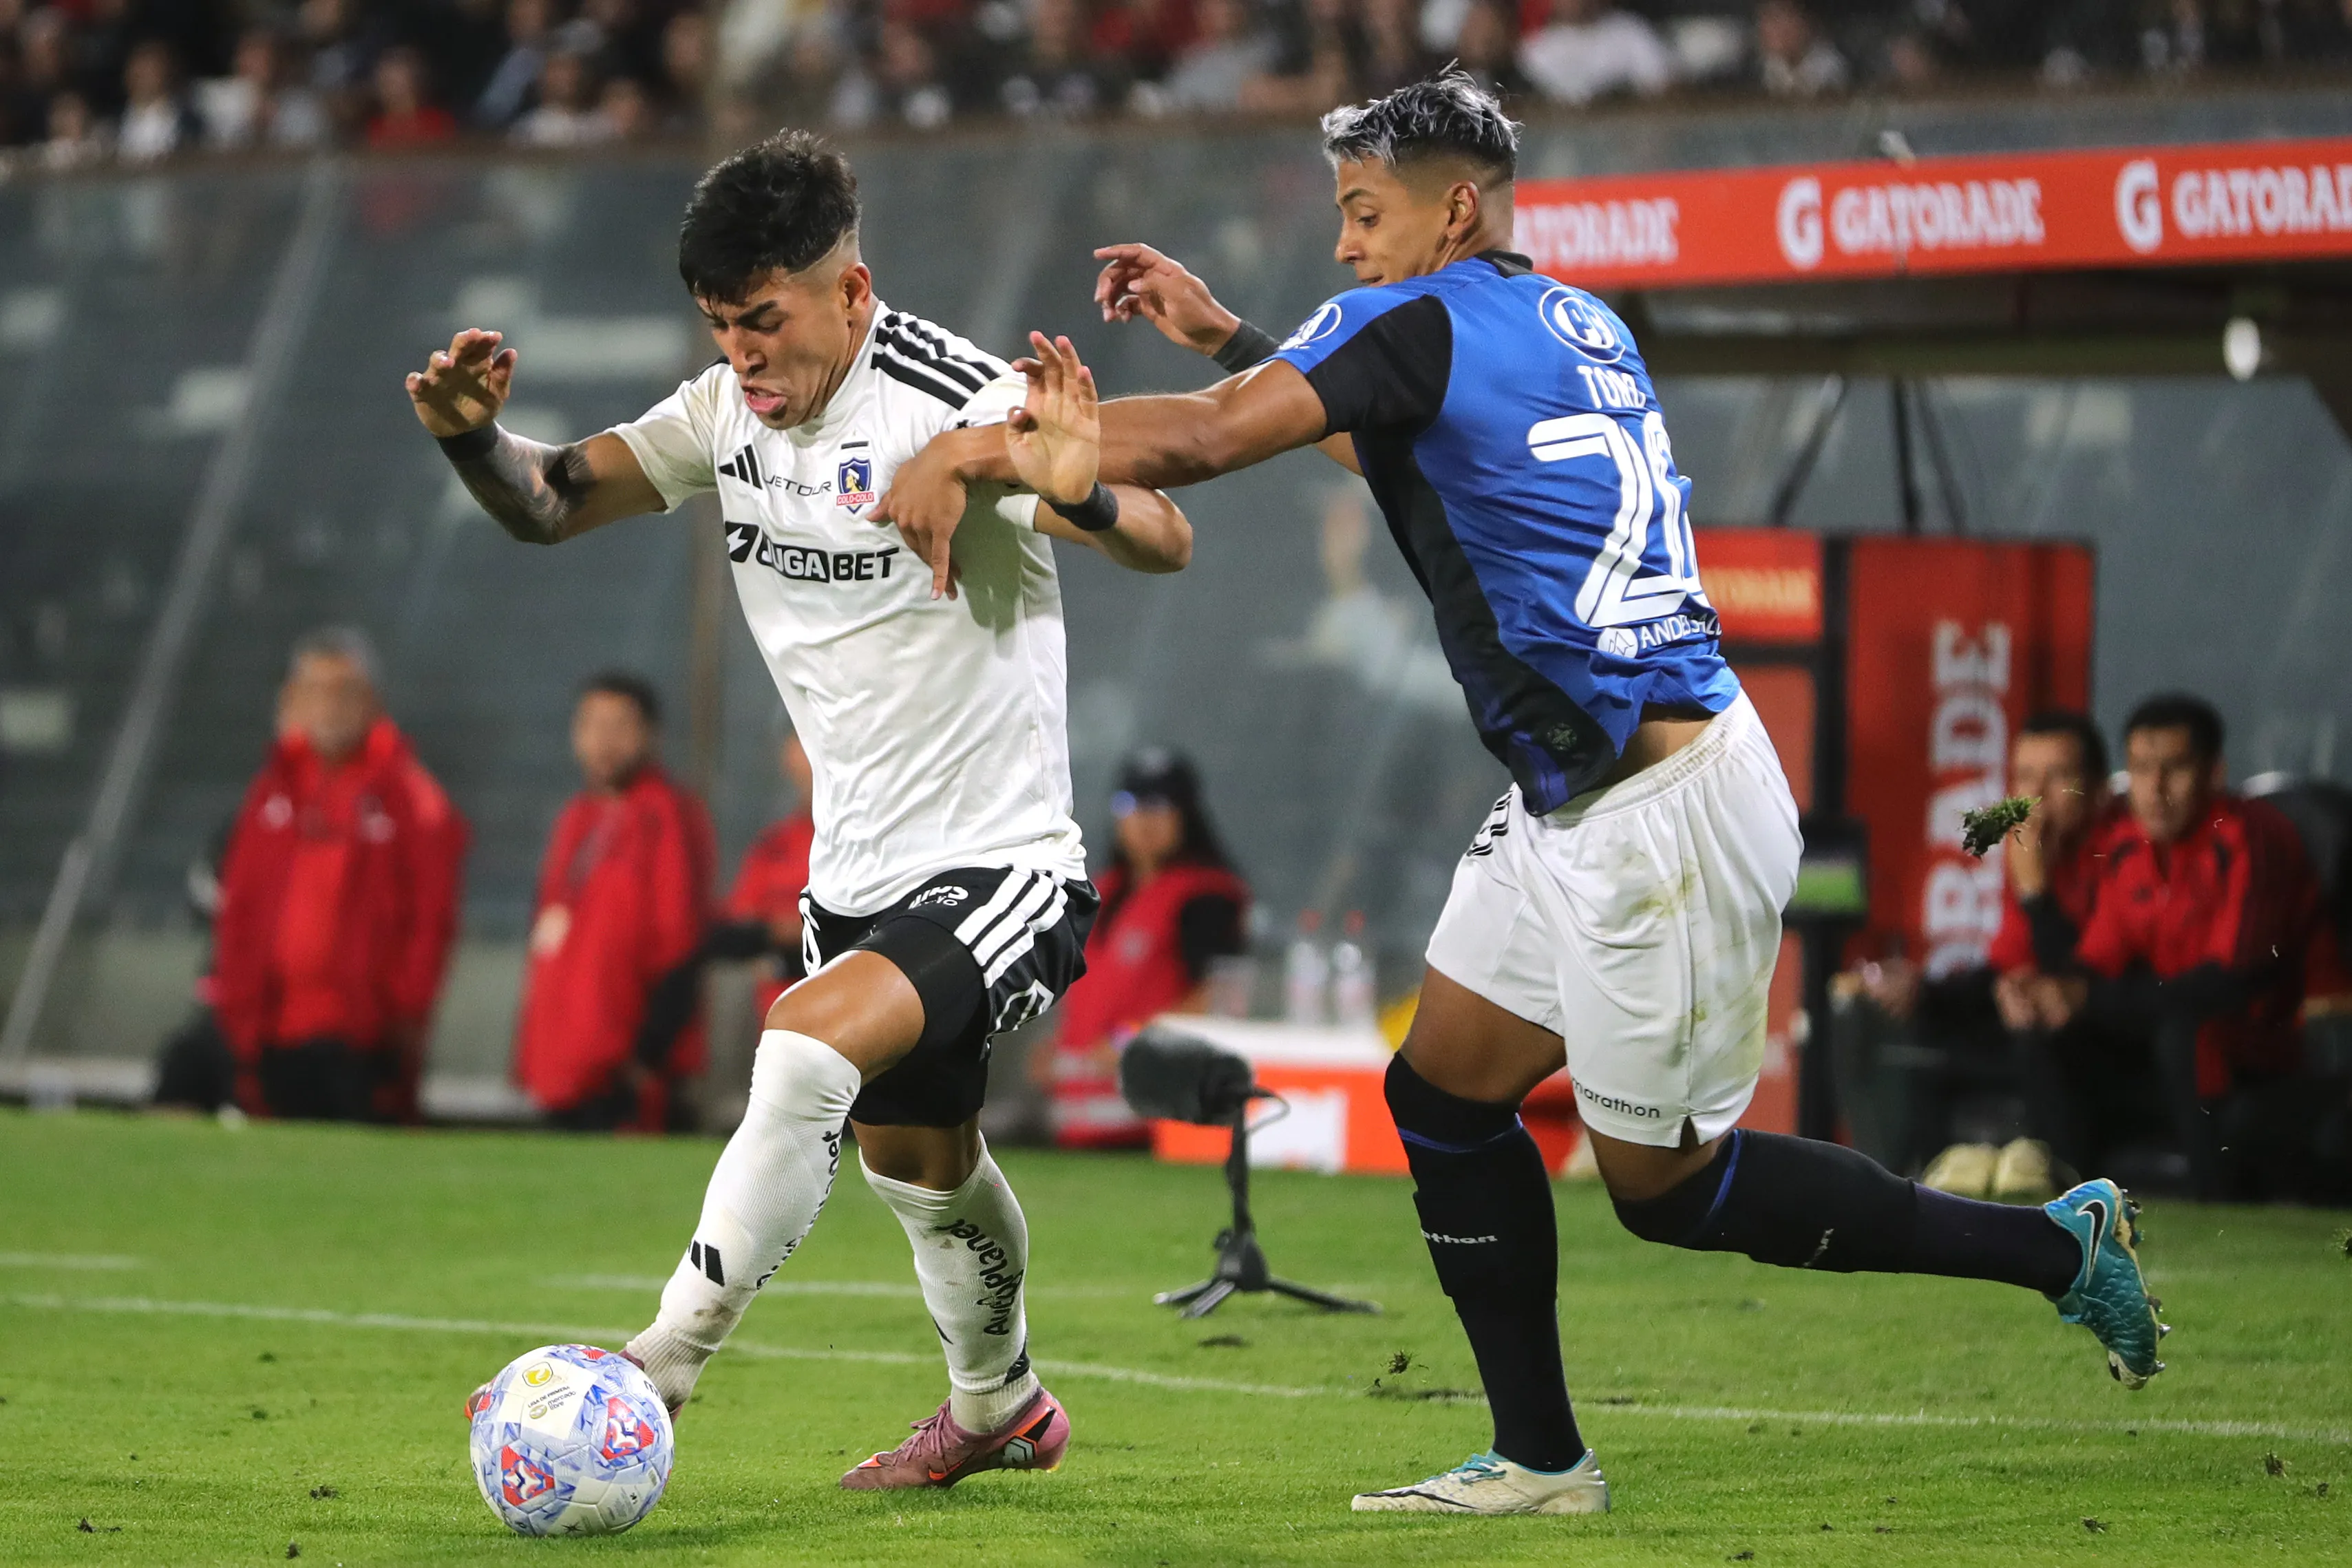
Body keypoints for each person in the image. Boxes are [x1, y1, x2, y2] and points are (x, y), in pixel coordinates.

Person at [879, 70, 2167, 1516]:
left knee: (1669, 1192)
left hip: (1654, 817)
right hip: (1592, 795)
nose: (1344, 245)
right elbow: (1396, 427)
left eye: (1365, 214)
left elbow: (1203, 442)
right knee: (1439, 1094)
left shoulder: (1413, 323)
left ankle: (2056, 1248)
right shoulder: (1571, 317)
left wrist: (978, 448)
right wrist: (1233, 337)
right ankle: (1541, 1458)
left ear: (1457, 207)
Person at [410, 131, 1191, 1491]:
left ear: (850, 288)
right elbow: (546, 503)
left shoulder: (955, 399)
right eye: (721, 326)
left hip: (1002, 864)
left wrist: (1074, 484)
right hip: (859, 878)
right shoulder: (721, 415)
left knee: (799, 1047)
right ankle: (1000, 1402)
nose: (744, 354)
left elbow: (1159, 534)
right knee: (922, 1166)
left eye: (764, 321)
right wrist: (477, 440)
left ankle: (656, 1364)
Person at [2022, 694, 2346, 1199]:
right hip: (2172, 1047)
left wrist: (2092, 998)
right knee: (2051, 1031)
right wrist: (2038, 917)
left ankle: (2214, 1211)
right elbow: (2091, 969)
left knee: (2187, 1034)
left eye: (2173, 769)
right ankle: (2078, 1210)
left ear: (2213, 773)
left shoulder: (2249, 837)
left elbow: (2230, 982)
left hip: (2277, 1049)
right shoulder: (2130, 847)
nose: (2154, 789)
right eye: (2141, 769)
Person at [1829, 710, 2116, 1184]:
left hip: (2104, 1027)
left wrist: (2033, 893)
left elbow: (2085, 978)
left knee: (2040, 1037)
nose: (2036, 797)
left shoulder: (2115, 852)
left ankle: (2065, 1183)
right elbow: (2008, 965)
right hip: (2039, 1013)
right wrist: (1923, 989)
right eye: (2025, 777)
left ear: (2096, 789)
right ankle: (1918, 1183)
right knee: (1928, 1016)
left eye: (2058, 777)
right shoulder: (2033, 853)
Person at [209, 629, 469, 1123]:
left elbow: (432, 919)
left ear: (372, 701)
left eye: (344, 692)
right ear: (294, 700)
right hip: (272, 1029)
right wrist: (238, 1011)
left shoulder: (411, 796)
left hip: (364, 1039)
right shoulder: (272, 790)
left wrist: (403, 1015)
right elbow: (240, 907)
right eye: (316, 692)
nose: (330, 707)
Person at [512, 672, 715, 1132]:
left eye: (619, 726)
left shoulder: (665, 815)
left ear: (650, 735)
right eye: (590, 725)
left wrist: (646, 1059)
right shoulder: (575, 817)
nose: (603, 741)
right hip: (561, 1064)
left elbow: (682, 945)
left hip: (623, 1075)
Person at [1046, 750, 1249, 1149]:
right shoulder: (1099, 891)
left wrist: (1129, 1042)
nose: (1143, 820)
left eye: (1160, 806)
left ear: (1186, 815)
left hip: (1152, 1127)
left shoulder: (1207, 898)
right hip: (1077, 1121)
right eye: (1130, 805)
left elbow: (1222, 995)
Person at [715, 729, 818, 1026]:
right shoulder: (773, 845)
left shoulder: (875, 846)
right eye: (803, 740)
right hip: (775, 1027)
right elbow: (741, 932)